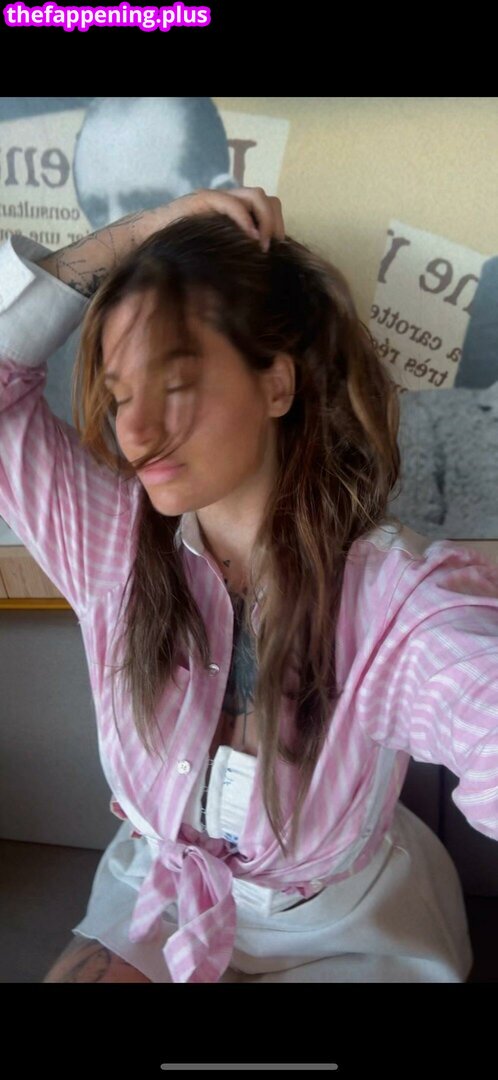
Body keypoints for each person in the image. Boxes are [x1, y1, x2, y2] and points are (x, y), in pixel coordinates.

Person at [0, 187, 497, 984]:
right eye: (120, 394)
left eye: (175, 382)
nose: (134, 430)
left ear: (276, 385)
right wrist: (148, 232)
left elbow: (479, 702)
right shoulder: (109, 543)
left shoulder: (391, 603)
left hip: (340, 929)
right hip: (161, 898)